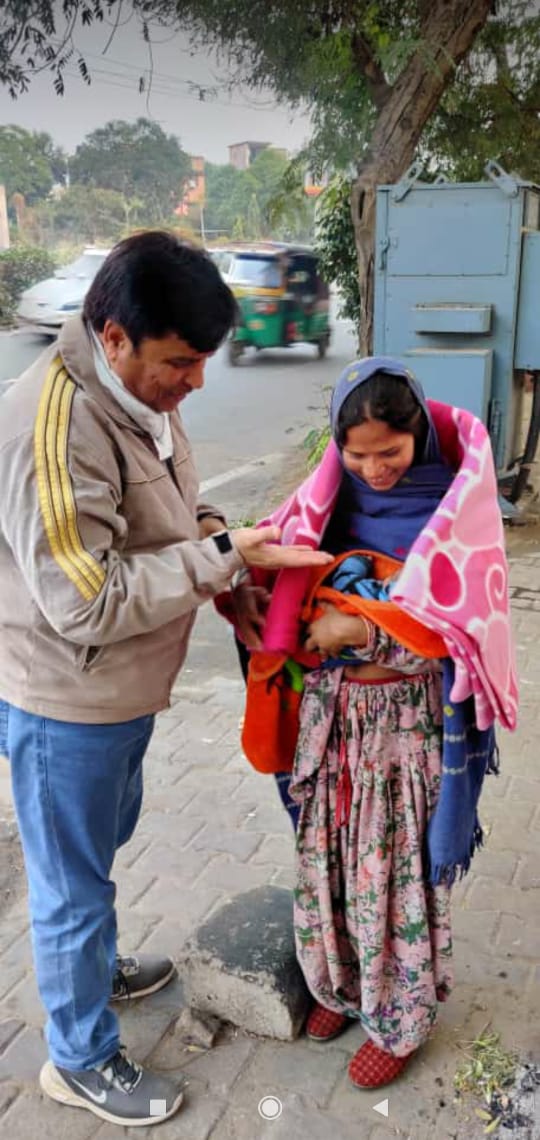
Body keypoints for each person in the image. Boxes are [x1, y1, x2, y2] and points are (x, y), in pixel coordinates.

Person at [0, 232, 333, 1128]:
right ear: (113, 338)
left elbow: (179, 507)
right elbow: (87, 602)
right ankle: (78, 1059)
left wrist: (232, 567)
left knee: (97, 854)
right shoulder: (54, 428)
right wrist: (225, 558)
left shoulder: (140, 393)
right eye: (180, 364)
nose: (194, 383)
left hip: (124, 690)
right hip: (67, 698)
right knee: (70, 885)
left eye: (202, 363)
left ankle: (92, 970)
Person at [235, 357, 517, 1090]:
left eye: (388, 451)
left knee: (395, 878)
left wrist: (361, 631)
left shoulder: (457, 510)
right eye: (355, 454)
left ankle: (400, 1020)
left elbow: (465, 641)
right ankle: (341, 987)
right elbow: (271, 585)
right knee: (327, 861)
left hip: (407, 735)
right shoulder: (326, 504)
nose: (373, 469)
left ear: (418, 435)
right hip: (333, 728)